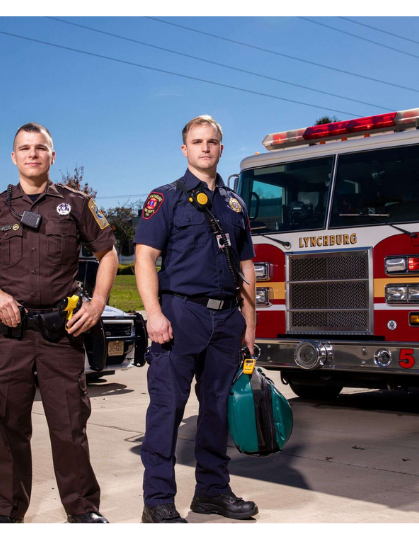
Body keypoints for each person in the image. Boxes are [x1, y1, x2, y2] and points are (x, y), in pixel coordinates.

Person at [0, 123, 118, 523]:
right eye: (25, 148)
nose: (33, 154)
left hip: (61, 334)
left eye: (41, 148)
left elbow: (109, 254)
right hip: (10, 335)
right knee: (9, 426)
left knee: (69, 426)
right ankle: (9, 514)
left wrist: (98, 302)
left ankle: (83, 511)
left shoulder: (77, 204)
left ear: (52, 156)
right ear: (13, 157)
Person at [133, 115, 258, 523]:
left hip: (226, 321)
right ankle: (158, 501)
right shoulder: (164, 198)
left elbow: (246, 264)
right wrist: (153, 313)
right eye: (197, 141)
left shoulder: (235, 204)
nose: (205, 147)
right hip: (179, 314)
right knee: (168, 408)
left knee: (217, 410)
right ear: (184, 149)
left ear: (222, 148)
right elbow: (145, 259)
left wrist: (249, 324)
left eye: (212, 141)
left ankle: (212, 492)